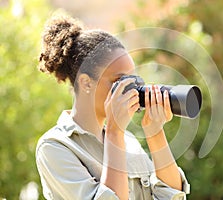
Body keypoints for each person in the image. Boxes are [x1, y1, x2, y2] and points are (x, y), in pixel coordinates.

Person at [35, 13, 190, 200]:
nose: (131, 89)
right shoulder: (55, 146)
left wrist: (155, 133)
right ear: (86, 83)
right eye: (119, 81)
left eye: (133, 79)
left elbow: (171, 197)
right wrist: (114, 133)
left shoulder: (130, 143)